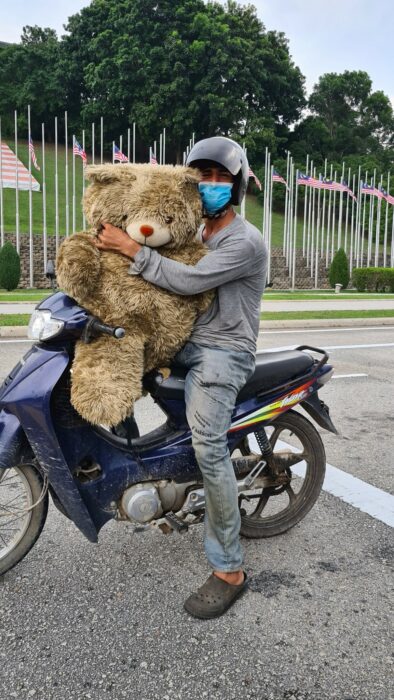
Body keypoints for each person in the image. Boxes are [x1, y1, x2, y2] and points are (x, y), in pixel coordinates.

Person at [95, 137, 268, 618]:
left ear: (236, 184)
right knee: (115, 360)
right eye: (201, 176)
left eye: (220, 177)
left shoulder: (244, 241)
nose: (210, 185)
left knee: (207, 446)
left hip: (225, 351)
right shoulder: (194, 231)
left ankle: (230, 568)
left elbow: (187, 280)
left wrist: (132, 248)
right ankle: (129, 463)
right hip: (188, 340)